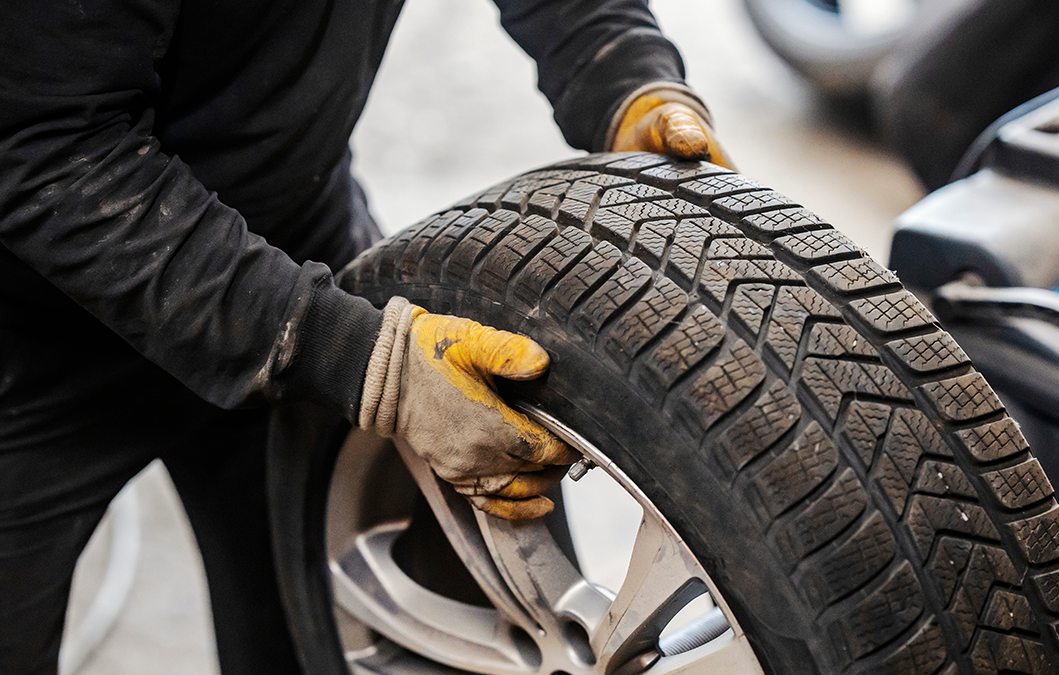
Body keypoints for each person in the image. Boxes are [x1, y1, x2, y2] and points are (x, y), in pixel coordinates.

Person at [0, 1, 730, 673]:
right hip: (36, 326)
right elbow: (46, 153)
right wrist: (360, 359)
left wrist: (626, 76)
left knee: (322, 635)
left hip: (286, 237)